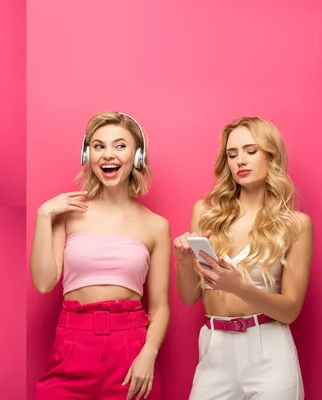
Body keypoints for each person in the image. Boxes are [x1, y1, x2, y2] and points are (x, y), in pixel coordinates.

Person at [31, 111, 171, 399]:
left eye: (120, 145)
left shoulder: (156, 225)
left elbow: (159, 308)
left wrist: (149, 354)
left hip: (131, 351)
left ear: (138, 156)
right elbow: (44, 283)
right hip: (72, 344)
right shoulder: (66, 213)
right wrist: (43, 216)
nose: (109, 155)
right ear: (87, 155)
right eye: (99, 146)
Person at [174, 117, 313, 399]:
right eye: (232, 154)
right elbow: (189, 298)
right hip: (215, 346)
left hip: (269, 350)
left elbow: (290, 310)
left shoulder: (296, 224)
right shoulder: (206, 212)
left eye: (251, 151)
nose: (240, 161)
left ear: (271, 155)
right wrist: (184, 262)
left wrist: (238, 286)